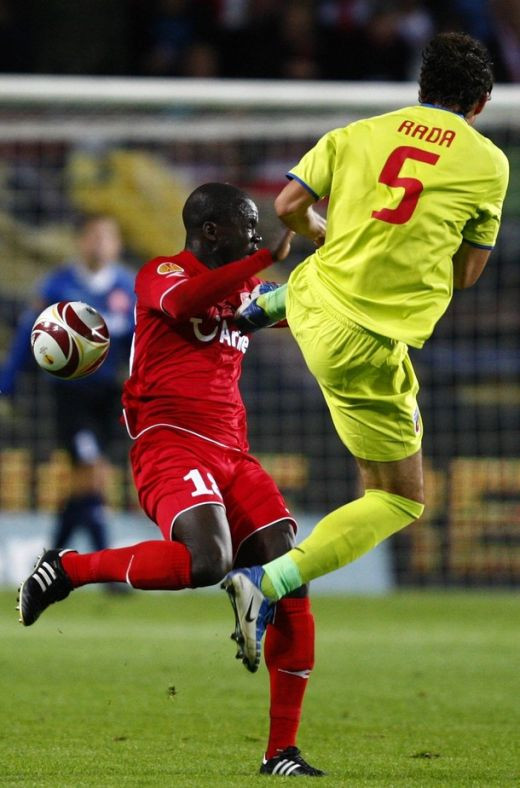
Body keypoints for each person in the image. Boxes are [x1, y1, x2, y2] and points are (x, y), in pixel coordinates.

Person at [222, 32, 509, 671]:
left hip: (314, 300)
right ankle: (266, 581)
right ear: (482, 103)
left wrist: (325, 231)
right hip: (363, 346)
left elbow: (288, 206)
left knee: (332, 265)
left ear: (421, 88)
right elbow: (468, 275)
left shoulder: (358, 133)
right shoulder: (490, 163)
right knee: (400, 497)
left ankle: (263, 305)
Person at [17, 183, 324, 778]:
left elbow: (299, 304)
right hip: (168, 442)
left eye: (258, 232)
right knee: (209, 561)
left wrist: (343, 265)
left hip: (234, 453)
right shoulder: (161, 273)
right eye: (247, 227)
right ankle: (70, 569)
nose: (255, 238)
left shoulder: (247, 291)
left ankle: (281, 753)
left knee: (289, 574)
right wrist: (264, 260)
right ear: (211, 231)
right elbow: (185, 305)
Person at [0, 214, 135, 556]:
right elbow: (26, 336)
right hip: (71, 394)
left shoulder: (127, 288)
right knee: (92, 469)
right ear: (80, 241)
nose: (100, 243)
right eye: (94, 236)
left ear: (117, 245)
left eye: (107, 237)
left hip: (110, 395)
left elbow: (142, 343)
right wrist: (7, 382)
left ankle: (53, 558)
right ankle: (105, 564)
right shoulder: (57, 286)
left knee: (85, 480)